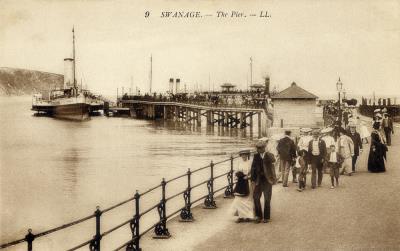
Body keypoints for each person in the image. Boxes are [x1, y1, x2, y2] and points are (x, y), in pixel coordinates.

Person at [250, 140, 277, 223]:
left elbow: (273, 160)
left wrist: (267, 153)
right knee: (256, 197)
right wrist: (253, 179)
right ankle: (258, 216)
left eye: (261, 148)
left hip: (267, 180)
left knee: (267, 199)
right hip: (258, 180)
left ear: (264, 148)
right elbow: (253, 168)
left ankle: (266, 217)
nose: (259, 150)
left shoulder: (269, 155)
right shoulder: (256, 156)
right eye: (258, 148)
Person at [231, 150, 254, 223]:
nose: (244, 156)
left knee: (247, 199)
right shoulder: (239, 163)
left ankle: (248, 216)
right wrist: (237, 177)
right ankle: (240, 216)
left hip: (247, 182)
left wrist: (248, 177)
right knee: (239, 199)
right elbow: (236, 172)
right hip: (240, 182)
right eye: (242, 155)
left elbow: (253, 172)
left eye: (245, 155)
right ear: (241, 156)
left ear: (247, 155)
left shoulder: (250, 163)